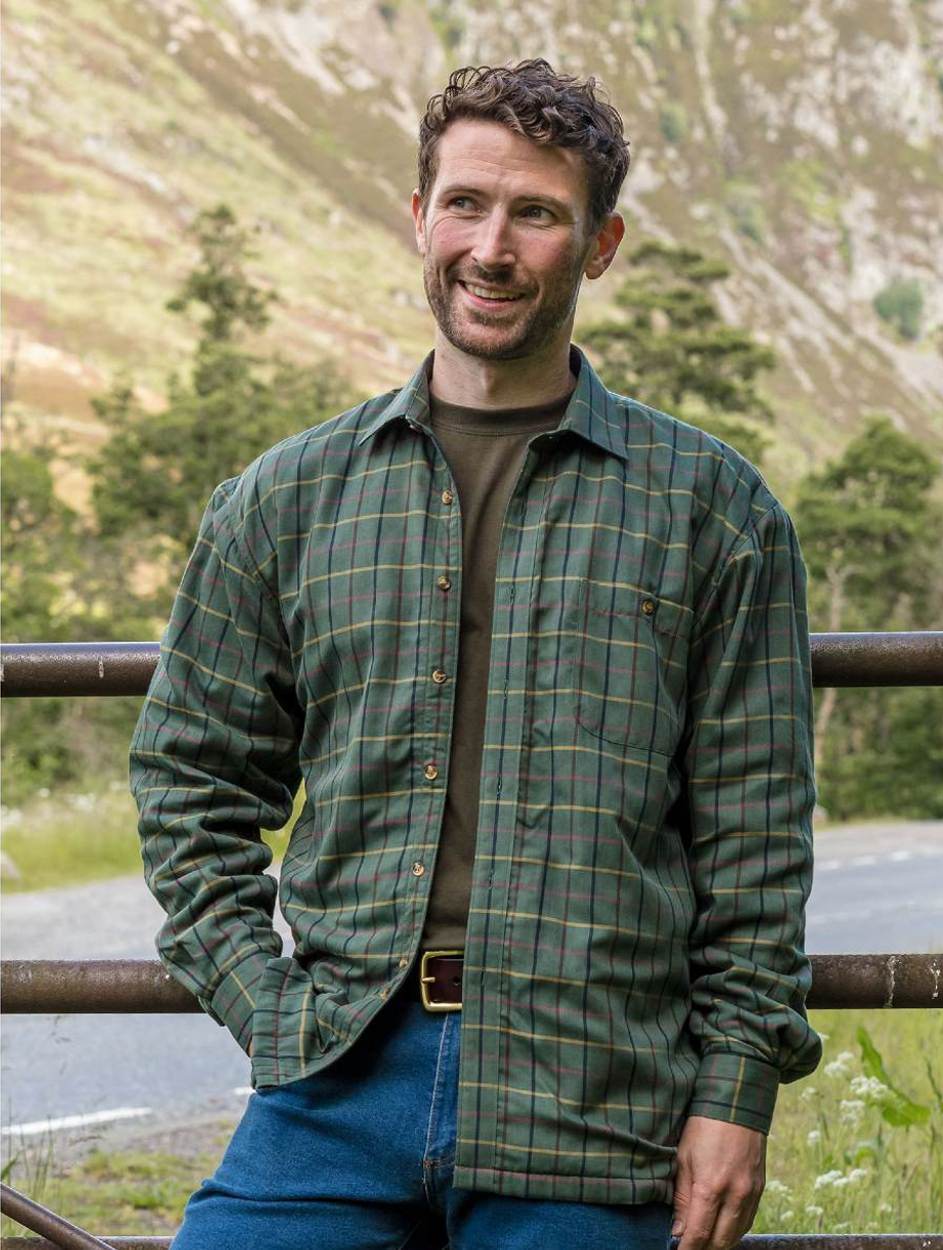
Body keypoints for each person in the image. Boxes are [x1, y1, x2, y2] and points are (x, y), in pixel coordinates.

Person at [131, 59, 822, 1250]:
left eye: (536, 214)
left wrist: (732, 1090)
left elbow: (754, 840)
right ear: (419, 217)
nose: (491, 248)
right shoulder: (285, 500)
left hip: (590, 1096)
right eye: (464, 204)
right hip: (336, 1084)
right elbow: (188, 784)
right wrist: (271, 1008)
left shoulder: (713, 508)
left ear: (598, 245)